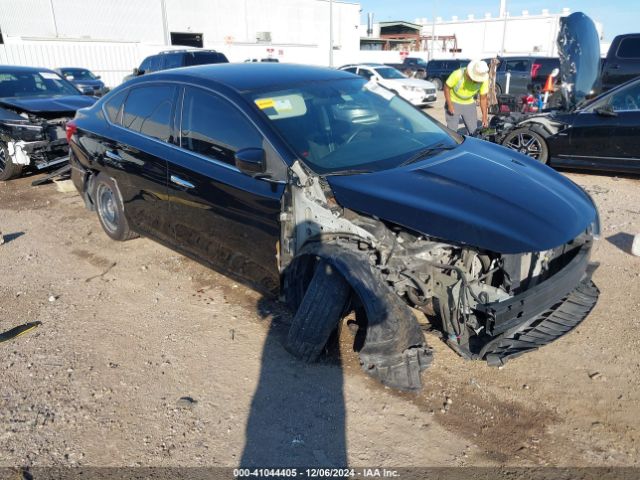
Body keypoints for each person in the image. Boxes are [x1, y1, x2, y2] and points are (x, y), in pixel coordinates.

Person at [443, 59, 490, 134]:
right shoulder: (458, 74)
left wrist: (484, 116)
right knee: (452, 132)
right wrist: (449, 104)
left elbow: (483, 98)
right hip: (453, 102)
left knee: (473, 131)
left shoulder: (484, 80)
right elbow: (446, 87)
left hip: (469, 104)